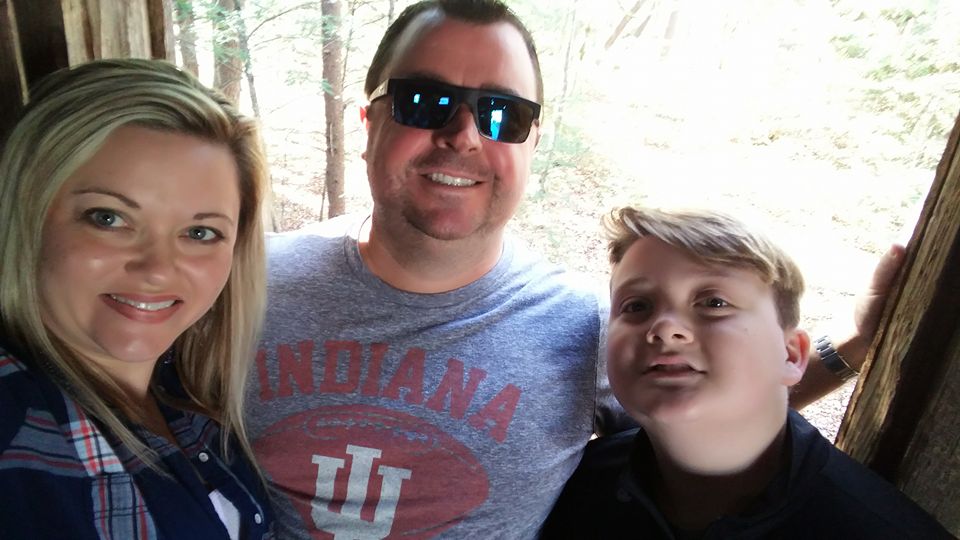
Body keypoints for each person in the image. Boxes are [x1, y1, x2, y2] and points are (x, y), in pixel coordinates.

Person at [244, 1, 894, 537]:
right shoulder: (248, 284)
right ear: (368, 123)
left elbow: (712, 413)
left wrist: (850, 348)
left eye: (503, 114)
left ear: (531, 143)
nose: (464, 135)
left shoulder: (587, 325)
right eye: (424, 100)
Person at [541, 207, 952, 539]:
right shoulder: (574, 489)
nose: (664, 327)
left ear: (791, 355)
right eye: (636, 306)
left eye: (714, 303)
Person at [0, 59, 274, 539]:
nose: (158, 269)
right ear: (28, 216)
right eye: (108, 218)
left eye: (200, 232)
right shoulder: (16, 423)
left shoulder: (184, 398)